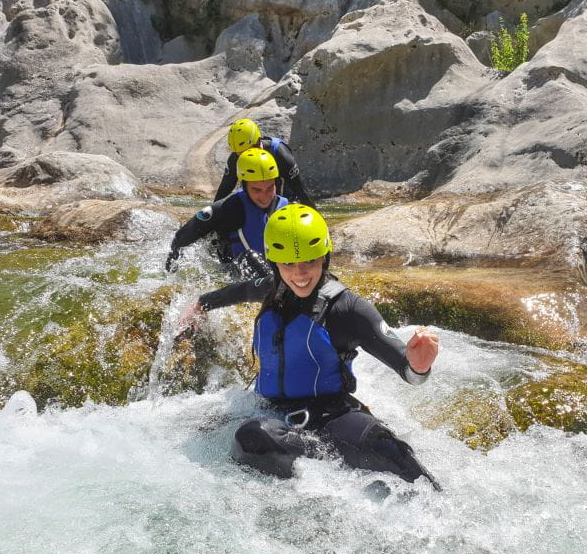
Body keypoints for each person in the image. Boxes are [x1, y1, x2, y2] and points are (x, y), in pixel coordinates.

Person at [181, 204, 442, 489]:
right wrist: (198, 305)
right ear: (275, 264)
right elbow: (238, 291)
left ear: (324, 257)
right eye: (288, 264)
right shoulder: (273, 288)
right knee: (252, 438)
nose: (300, 273)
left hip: (332, 416)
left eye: (310, 262)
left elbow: (408, 368)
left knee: (398, 460)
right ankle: (322, 465)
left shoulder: (347, 308)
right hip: (272, 416)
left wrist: (419, 364)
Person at [165, 148, 288, 278]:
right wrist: (170, 273)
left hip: (274, 277)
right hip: (237, 278)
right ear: (244, 187)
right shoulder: (228, 208)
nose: (265, 197)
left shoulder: (286, 208)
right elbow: (181, 238)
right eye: (257, 190)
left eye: (270, 188)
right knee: (251, 258)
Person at [216, 118, 314, 208]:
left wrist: (320, 221)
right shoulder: (235, 157)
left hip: (283, 203)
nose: (244, 157)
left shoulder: (280, 153)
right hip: (256, 203)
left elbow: (300, 190)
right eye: (240, 154)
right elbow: (224, 191)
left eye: (246, 152)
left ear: (258, 142)